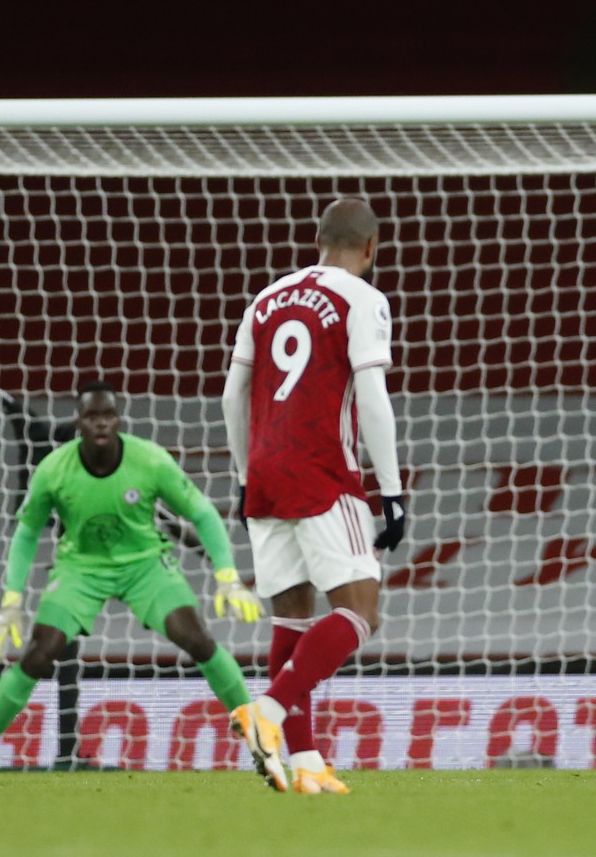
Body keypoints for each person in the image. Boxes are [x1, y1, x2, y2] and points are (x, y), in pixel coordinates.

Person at [0, 382, 262, 772]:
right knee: (40, 652)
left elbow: (203, 513)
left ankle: (259, 740)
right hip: (81, 568)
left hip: (144, 565)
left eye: (108, 415)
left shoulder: (150, 461)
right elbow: (25, 533)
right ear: (79, 422)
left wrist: (228, 576)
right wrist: (11, 603)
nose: (101, 424)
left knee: (197, 638)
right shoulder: (54, 470)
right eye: (92, 416)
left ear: (118, 420)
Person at [221, 196, 408, 793]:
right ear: (371, 248)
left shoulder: (267, 297)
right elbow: (372, 397)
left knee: (292, 620)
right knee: (360, 612)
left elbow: (233, 396)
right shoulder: (362, 298)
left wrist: (246, 473)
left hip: (265, 473)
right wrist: (392, 490)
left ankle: (304, 765)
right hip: (324, 472)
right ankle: (268, 711)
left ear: (318, 240)